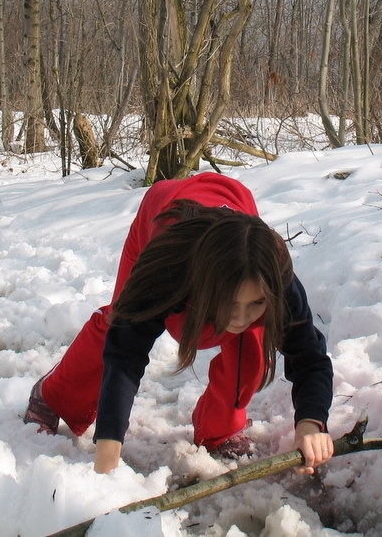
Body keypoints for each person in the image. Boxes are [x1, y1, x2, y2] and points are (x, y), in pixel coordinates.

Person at [24, 172, 334, 475]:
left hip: (236, 219)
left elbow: (310, 358)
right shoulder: (167, 267)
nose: (238, 320)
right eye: (228, 305)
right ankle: (53, 396)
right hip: (162, 215)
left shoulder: (276, 276)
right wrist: (108, 452)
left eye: (255, 303)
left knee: (251, 343)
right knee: (115, 325)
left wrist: (310, 425)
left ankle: (219, 428)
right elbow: (125, 355)